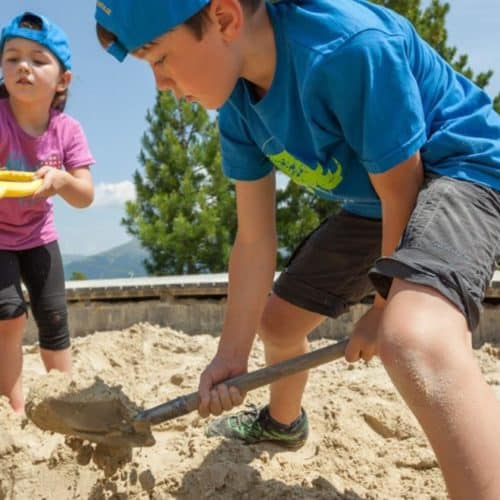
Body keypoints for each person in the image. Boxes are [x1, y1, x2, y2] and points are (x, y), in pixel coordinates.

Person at [94, 1, 500, 498]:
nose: (159, 83)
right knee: (278, 324)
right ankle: (283, 424)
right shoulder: (239, 103)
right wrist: (230, 356)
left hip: (458, 170)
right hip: (378, 198)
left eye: (158, 58)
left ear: (223, 18)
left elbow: (405, 189)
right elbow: (254, 239)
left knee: (411, 337)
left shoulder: (347, 48)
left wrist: (383, 305)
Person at [0, 12, 94, 413]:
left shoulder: (67, 130)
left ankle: (65, 403)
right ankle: (14, 410)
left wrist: (62, 181)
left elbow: (85, 195)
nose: (23, 66)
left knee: (54, 319)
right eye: (12, 57)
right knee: (9, 318)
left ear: (62, 80)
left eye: (38, 60)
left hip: (40, 237)